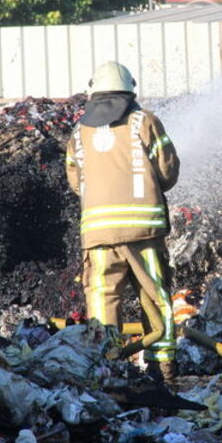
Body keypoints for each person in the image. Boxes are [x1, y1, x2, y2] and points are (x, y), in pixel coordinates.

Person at [65, 61, 180, 381]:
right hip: (143, 230)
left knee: (103, 298)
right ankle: (161, 368)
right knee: (154, 296)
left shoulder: (79, 131)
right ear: (130, 90)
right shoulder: (145, 121)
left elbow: (75, 181)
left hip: (98, 233)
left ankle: (107, 367)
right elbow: (168, 171)